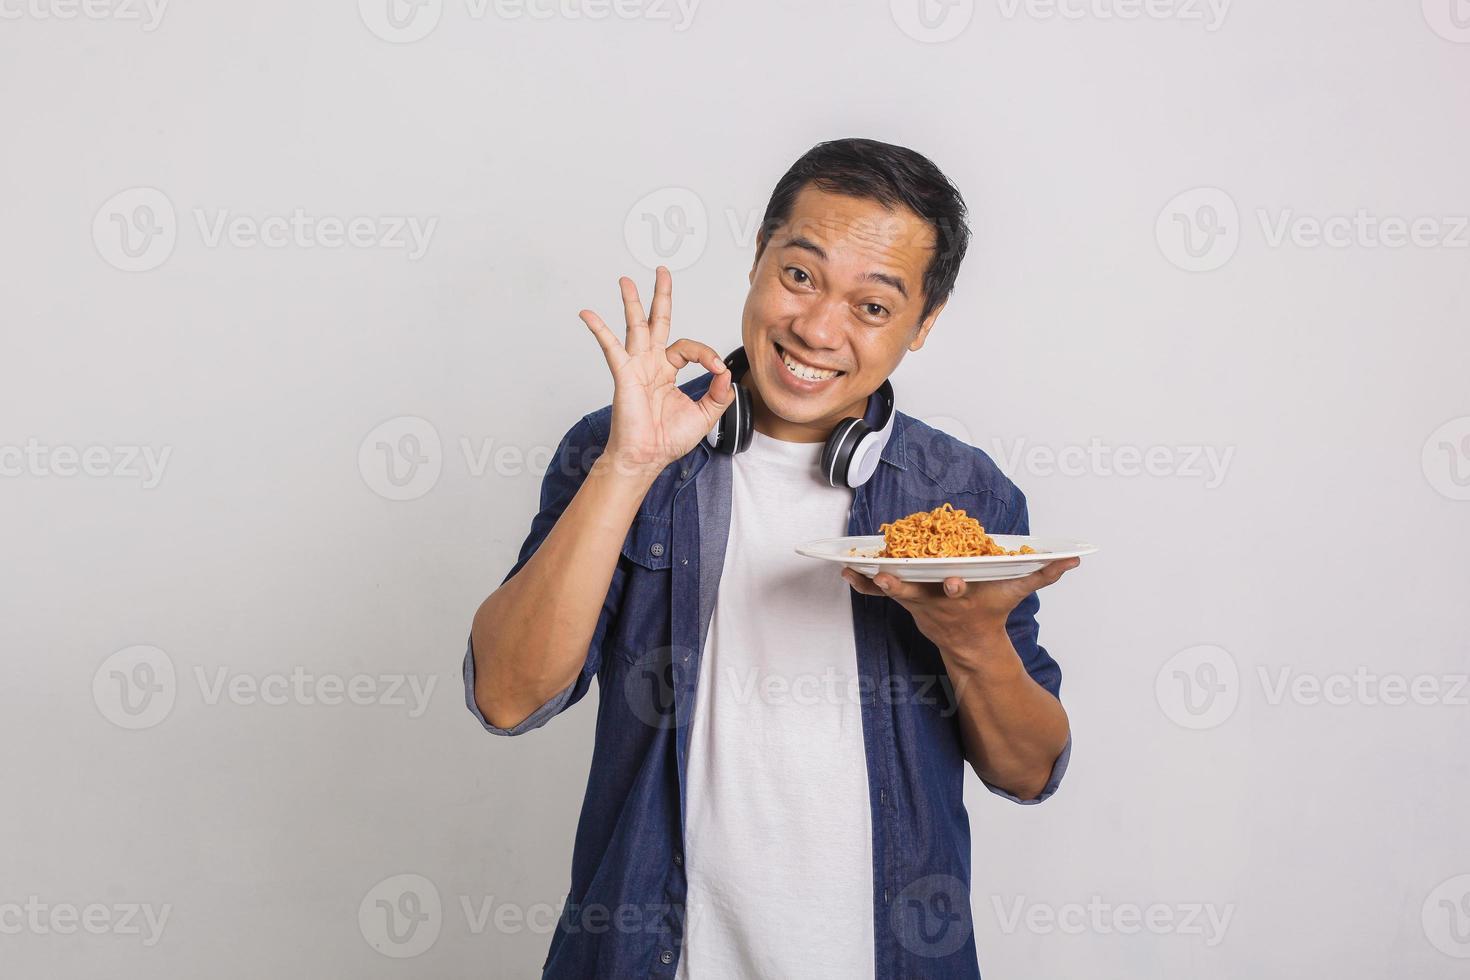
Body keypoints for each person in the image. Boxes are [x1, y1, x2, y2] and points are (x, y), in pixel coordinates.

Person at [463, 137, 1081, 979]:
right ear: (758, 256)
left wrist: (972, 639)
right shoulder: (616, 449)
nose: (817, 328)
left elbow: (1029, 770)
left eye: (872, 307)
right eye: (800, 276)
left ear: (924, 323)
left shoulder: (963, 499)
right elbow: (505, 696)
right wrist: (629, 466)